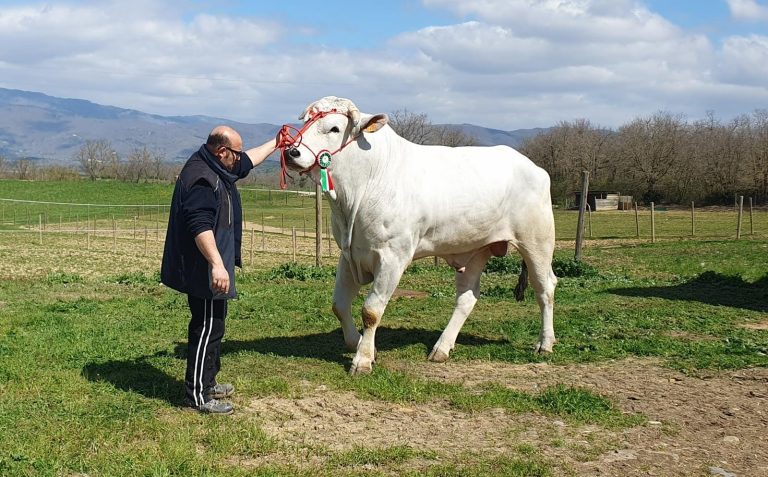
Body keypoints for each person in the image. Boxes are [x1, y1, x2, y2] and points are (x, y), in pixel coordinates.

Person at [161, 125, 277, 414]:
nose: (239, 160)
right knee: (206, 328)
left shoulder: (218, 165)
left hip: (214, 264)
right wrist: (216, 265)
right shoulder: (202, 178)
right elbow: (199, 226)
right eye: (235, 154)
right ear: (221, 151)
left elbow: (248, 160)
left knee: (216, 325)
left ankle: (208, 381)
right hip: (203, 267)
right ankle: (197, 396)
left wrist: (278, 143)